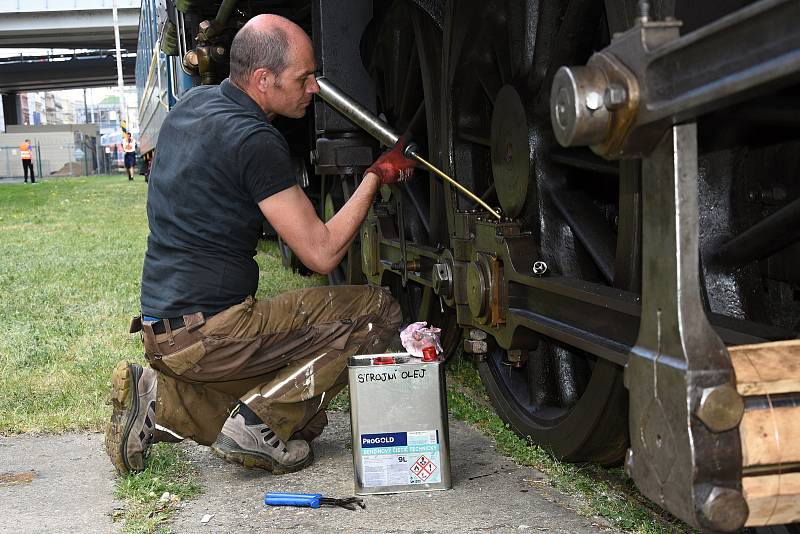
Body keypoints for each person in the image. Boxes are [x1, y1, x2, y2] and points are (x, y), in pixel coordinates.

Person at [105, 14, 414, 476]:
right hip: (212, 334)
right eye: (303, 78)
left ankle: (162, 399)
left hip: (164, 332)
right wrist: (375, 177)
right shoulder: (254, 139)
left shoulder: (190, 107)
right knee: (376, 310)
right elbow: (322, 253)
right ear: (263, 79)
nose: (313, 88)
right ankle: (258, 423)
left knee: (307, 423)